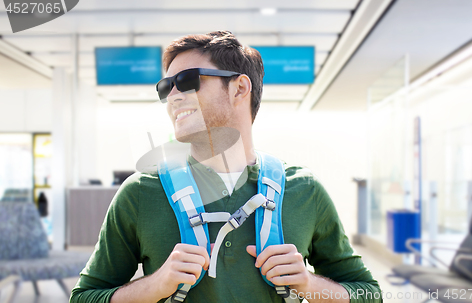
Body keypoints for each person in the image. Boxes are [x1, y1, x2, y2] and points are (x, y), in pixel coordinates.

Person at [70, 31, 382, 303]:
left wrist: (308, 283)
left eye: (187, 80)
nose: (173, 97)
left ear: (239, 89)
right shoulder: (140, 193)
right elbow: (84, 297)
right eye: (166, 87)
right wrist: (154, 286)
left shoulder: (304, 189)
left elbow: (369, 294)